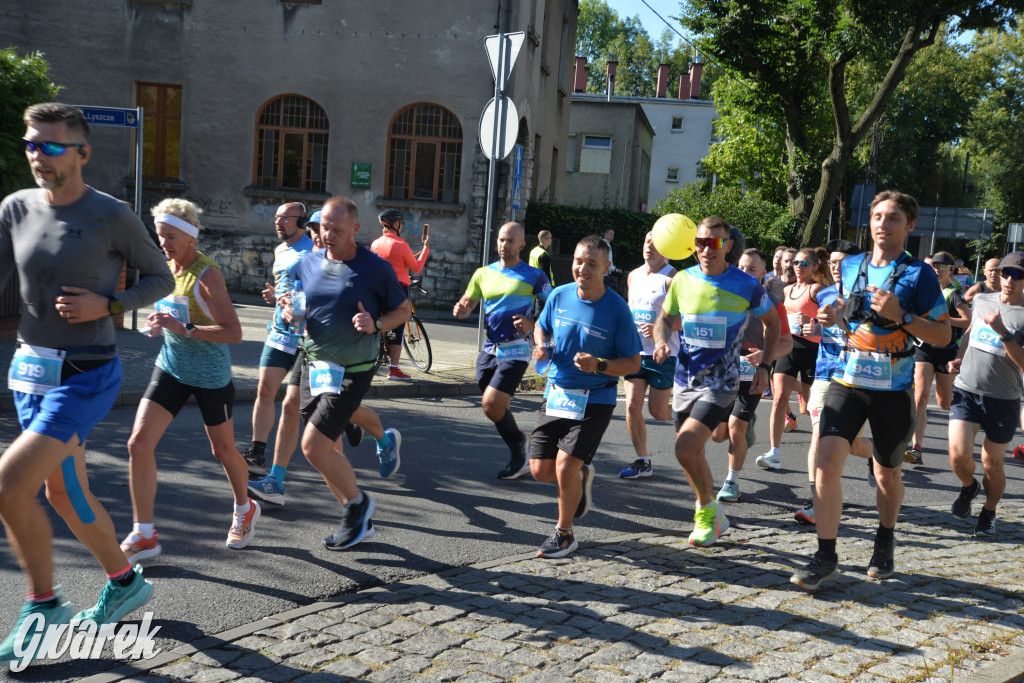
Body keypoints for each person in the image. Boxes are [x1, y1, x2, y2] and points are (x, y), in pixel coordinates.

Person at [0, 103, 174, 663]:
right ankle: (126, 583)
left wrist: (111, 302)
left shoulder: (111, 215)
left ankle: (44, 603)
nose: (37, 155)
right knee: (63, 491)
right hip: (30, 371)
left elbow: (161, 277)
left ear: (82, 153)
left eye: (50, 146)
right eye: (31, 144)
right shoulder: (15, 208)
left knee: (8, 487)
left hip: (86, 373)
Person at [791, 190, 950, 591]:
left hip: (893, 389)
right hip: (848, 381)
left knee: (887, 473)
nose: (882, 223)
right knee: (826, 462)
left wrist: (903, 315)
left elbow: (943, 333)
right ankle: (825, 555)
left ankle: (884, 539)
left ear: (910, 226)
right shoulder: (854, 264)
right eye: (877, 216)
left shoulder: (920, 274)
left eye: (893, 218)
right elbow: (846, 316)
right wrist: (832, 316)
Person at [121, 199, 259, 563]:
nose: (163, 242)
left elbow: (234, 333)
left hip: (211, 377)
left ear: (189, 235)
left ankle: (244, 508)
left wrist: (186, 328)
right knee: (138, 443)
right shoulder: (168, 269)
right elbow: (171, 311)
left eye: (170, 236)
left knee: (223, 451)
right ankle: (145, 533)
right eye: (159, 235)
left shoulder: (207, 273)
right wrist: (159, 322)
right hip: (171, 368)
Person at [248, 216, 401, 507]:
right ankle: (277, 482)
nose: (320, 236)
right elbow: (298, 298)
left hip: (347, 358)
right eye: (316, 230)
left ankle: (356, 492)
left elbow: (395, 307)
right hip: (311, 351)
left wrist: (374, 322)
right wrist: (283, 301)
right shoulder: (309, 261)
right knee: (291, 405)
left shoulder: (361, 264)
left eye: (327, 230)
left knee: (330, 428)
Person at [284, 197, 410, 549]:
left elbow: (403, 309)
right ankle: (358, 519)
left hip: (354, 367)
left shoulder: (375, 268)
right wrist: (288, 311)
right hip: (315, 364)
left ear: (356, 230)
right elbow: (300, 306)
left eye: (337, 229)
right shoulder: (307, 263)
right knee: (327, 446)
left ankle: (359, 505)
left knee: (313, 446)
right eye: (324, 227)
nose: (329, 235)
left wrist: (376, 323)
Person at [653, 217, 780, 546]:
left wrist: (765, 364)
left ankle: (707, 513)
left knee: (684, 447)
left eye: (716, 243)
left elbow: (772, 323)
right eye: (701, 242)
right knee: (689, 454)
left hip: (722, 382)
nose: (707, 248)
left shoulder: (745, 284)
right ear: (694, 244)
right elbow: (665, 319)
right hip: (684, 380)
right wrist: (662, 340)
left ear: (727, 246)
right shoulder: (682, 280)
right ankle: (713, 513)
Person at [530, 235, 641, 558]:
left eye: (592, 264)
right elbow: (542, 326)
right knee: (540, 471)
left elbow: (633, 363)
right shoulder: (560, 295)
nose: (583, 268)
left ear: (606, 268)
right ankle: (581, 476)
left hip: (596, 397)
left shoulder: (617, 310)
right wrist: (540, 343)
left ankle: (564, 534)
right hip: (557, 392)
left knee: (564, 466)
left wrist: (600, 365)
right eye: (579, 261)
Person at [453, 222, 551, 479]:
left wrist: (533, 323)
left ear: (522, 244)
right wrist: (462, 308)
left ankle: (519, 448)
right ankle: (521, 441)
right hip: (489, 349)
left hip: (517, 349)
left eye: (510, 241)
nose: (504, 245)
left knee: (491, 405)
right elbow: (469, 299)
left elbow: (553, 307)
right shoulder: (483, 273)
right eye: (501, 240)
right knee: (496, 405)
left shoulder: (534, 275)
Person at [794, 240, 875, 525]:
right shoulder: (825, 293)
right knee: (818, 435)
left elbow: (868, 334)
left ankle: (875, 453)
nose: (836, 267)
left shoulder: (869, 297)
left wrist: (839, 321)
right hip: (826, 372)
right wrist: (811, 328)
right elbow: (818, 330)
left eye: (844, 262)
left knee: (852, 444)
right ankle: (815, 498)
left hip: (856, 377)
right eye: (833, 262)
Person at [946, 252, 1024, 536]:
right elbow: (970, 333)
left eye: (1017, 275)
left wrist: (1003, 332)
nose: (1009, 280)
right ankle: (969, 486)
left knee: (992, 463)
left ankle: (989, 511)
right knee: (957, 453)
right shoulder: (982, 300)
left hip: (1003, 398)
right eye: (1006, 273)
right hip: (967, 388)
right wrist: (959, 357)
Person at [710, 247, 793, 502]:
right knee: (718, 434)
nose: (745, 273)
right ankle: (746, 427)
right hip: (723, 371)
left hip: (754, 374)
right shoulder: (720, 296)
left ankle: (732, 482)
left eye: (752, 269)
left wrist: (764, 358)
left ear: (762, 274)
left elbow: (787, 342)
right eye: (742, 268)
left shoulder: (772, 303)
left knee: (735, 427)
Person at [241, 202, 315, 477]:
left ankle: (350, 419)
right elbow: (285, 287)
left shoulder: (313, 250)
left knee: (314, 402)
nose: (278, 222)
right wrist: (276, 298)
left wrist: (294, 302)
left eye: (285, 218)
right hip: (280, 331)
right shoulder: (280, 250)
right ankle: (257, 453)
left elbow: (320, 292)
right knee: (264, 390)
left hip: (308, 336)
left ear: (301, 221)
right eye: (277, 217)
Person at [618, 231, 678, 479]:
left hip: (664, 353)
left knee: (658, 412)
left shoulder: (672, 278)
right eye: (646, 242)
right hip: (636, 352)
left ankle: (687, 413)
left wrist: (656, 327)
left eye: (655, 244)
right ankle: (643, 461)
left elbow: (683, 320)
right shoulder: (633, 276)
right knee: (631, 405)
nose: (649, 247)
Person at [758, 248, 824, 469]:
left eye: (804, 263)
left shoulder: (817, 290)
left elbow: (832, 317)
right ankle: (774, 452)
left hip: (811, 350)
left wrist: (815, 324)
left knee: (808, 408)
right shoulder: (787, 291)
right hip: (789, 349)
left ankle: (821, 452)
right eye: (796, 262)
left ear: (814, 267)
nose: (798, 266)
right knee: (778, 399)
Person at [905, 252, 972, 465]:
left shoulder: (953, 294)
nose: (937, 269)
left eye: (942, 267)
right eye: (934, 266)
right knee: (920, 398)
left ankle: (970, 418)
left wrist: (944, 320)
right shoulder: (925, 291)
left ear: (951, 270)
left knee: (944, 402)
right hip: (923, 349)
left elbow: (968, 320)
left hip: (946, 350)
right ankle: (916, 448)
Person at [371, 208, 429, 380]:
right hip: (398, 291)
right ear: (396, 224)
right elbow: (416, 267)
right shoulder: (401, 245)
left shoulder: (375, 243)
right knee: (397, 327)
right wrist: (425, 248)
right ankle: (394, 370)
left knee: (381, 322)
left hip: (379, 290)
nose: (402, 226)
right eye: (401, 224)